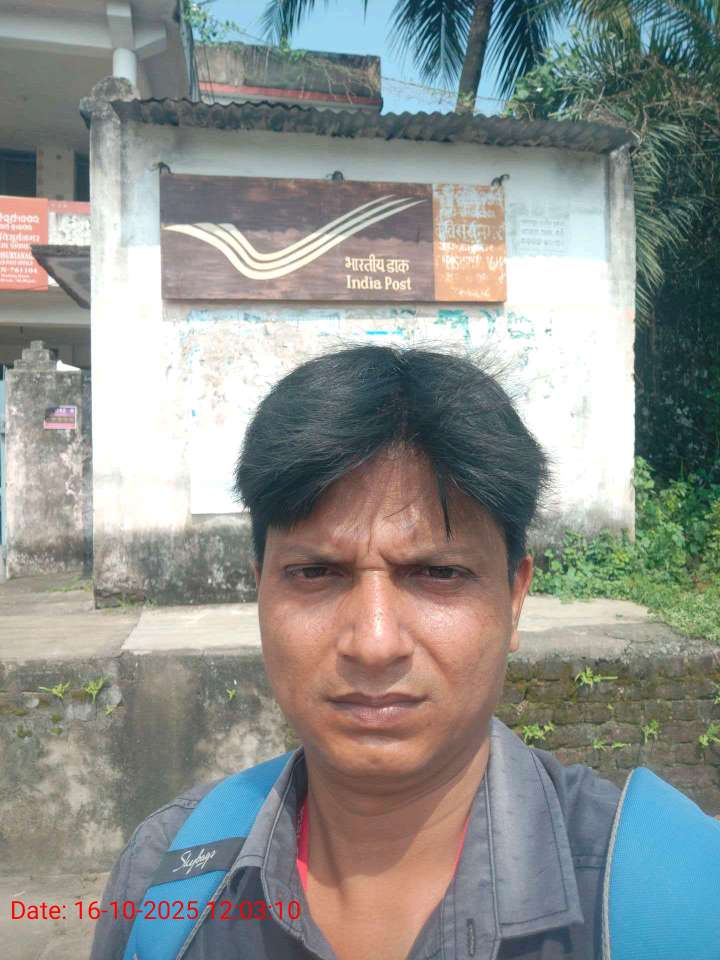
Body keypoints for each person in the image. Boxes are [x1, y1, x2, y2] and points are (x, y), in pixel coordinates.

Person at [91, 344, 623, 960]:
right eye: (315, 572)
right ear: (260, 589)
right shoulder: (167, 879)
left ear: (514, 597)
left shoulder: (653, 898)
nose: (374, 644)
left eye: (439, 573)